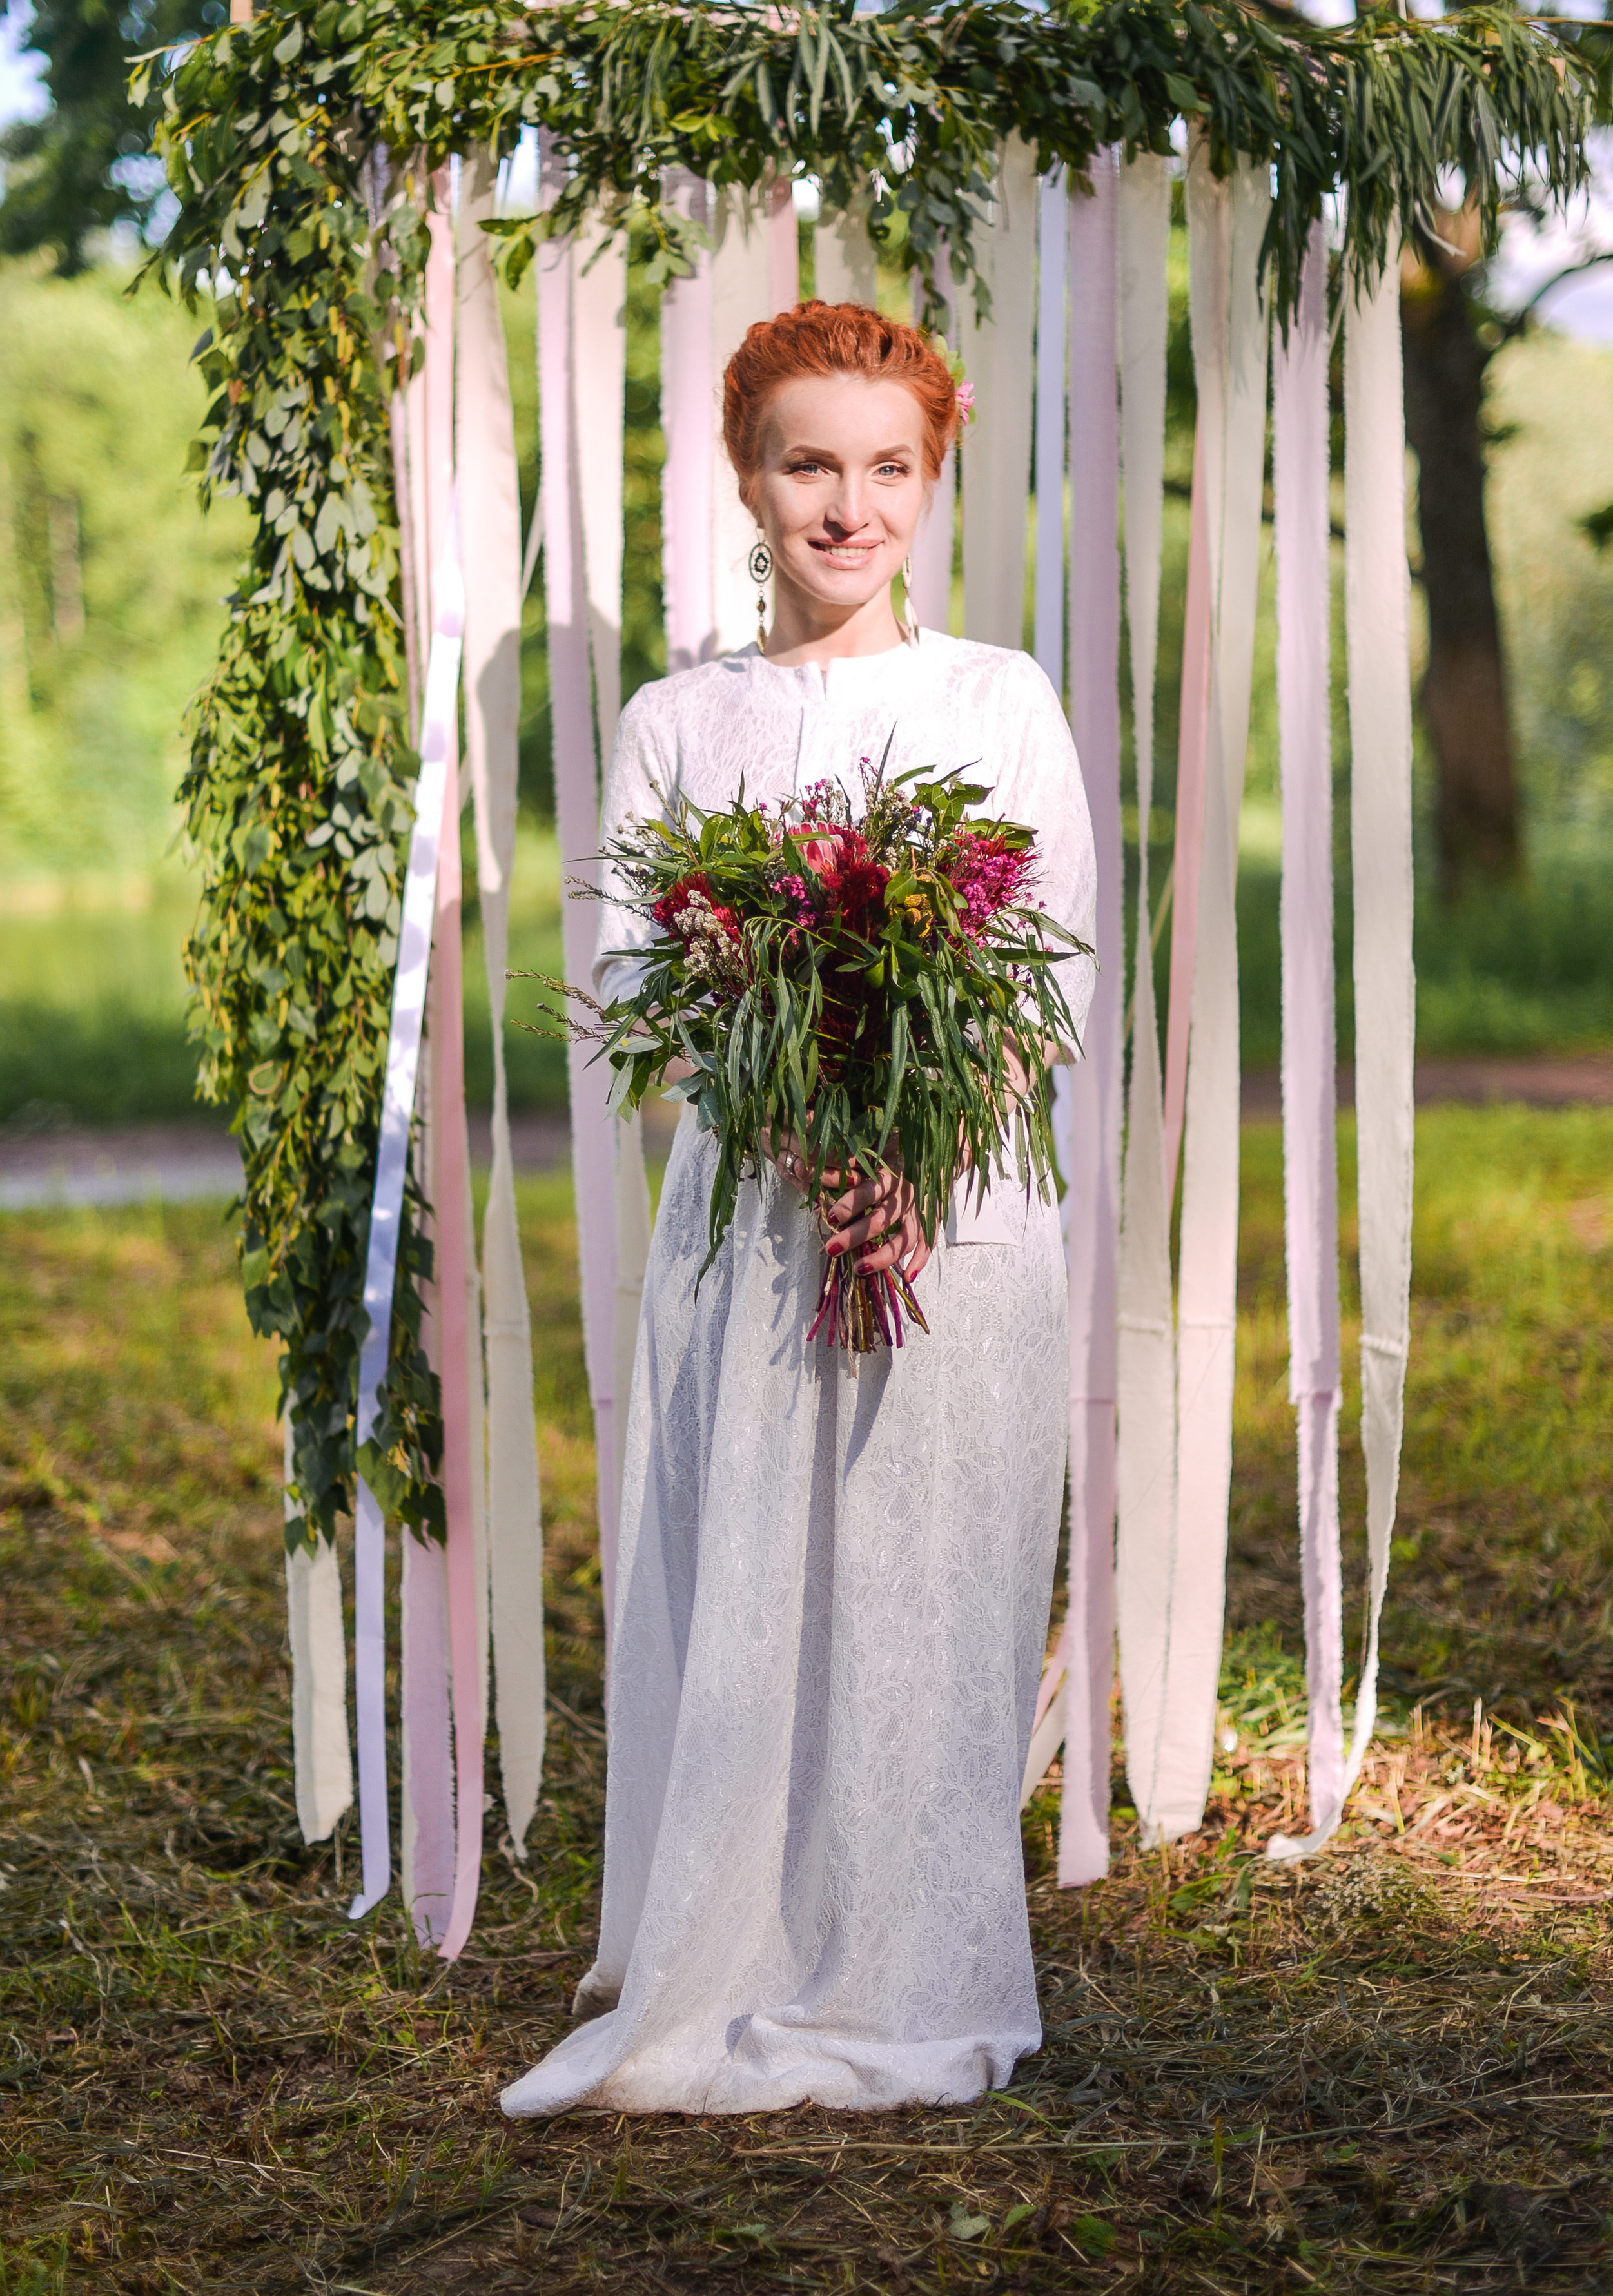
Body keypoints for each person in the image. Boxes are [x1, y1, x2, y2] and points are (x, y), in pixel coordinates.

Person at [501, 300, 1097, 2118]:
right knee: (757, 1576)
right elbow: (657, 1002)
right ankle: (734, 1940)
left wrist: (913, 1165)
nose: (851, 506)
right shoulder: (685, 719)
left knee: (933, 1585)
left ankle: (910, 1946)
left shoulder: (999, 701)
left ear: (936, 475)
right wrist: (817, 1160)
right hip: (757, 1227)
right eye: (809, 464)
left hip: (959, 1222)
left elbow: (1045, 984)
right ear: (745, 475)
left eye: (888, 468)